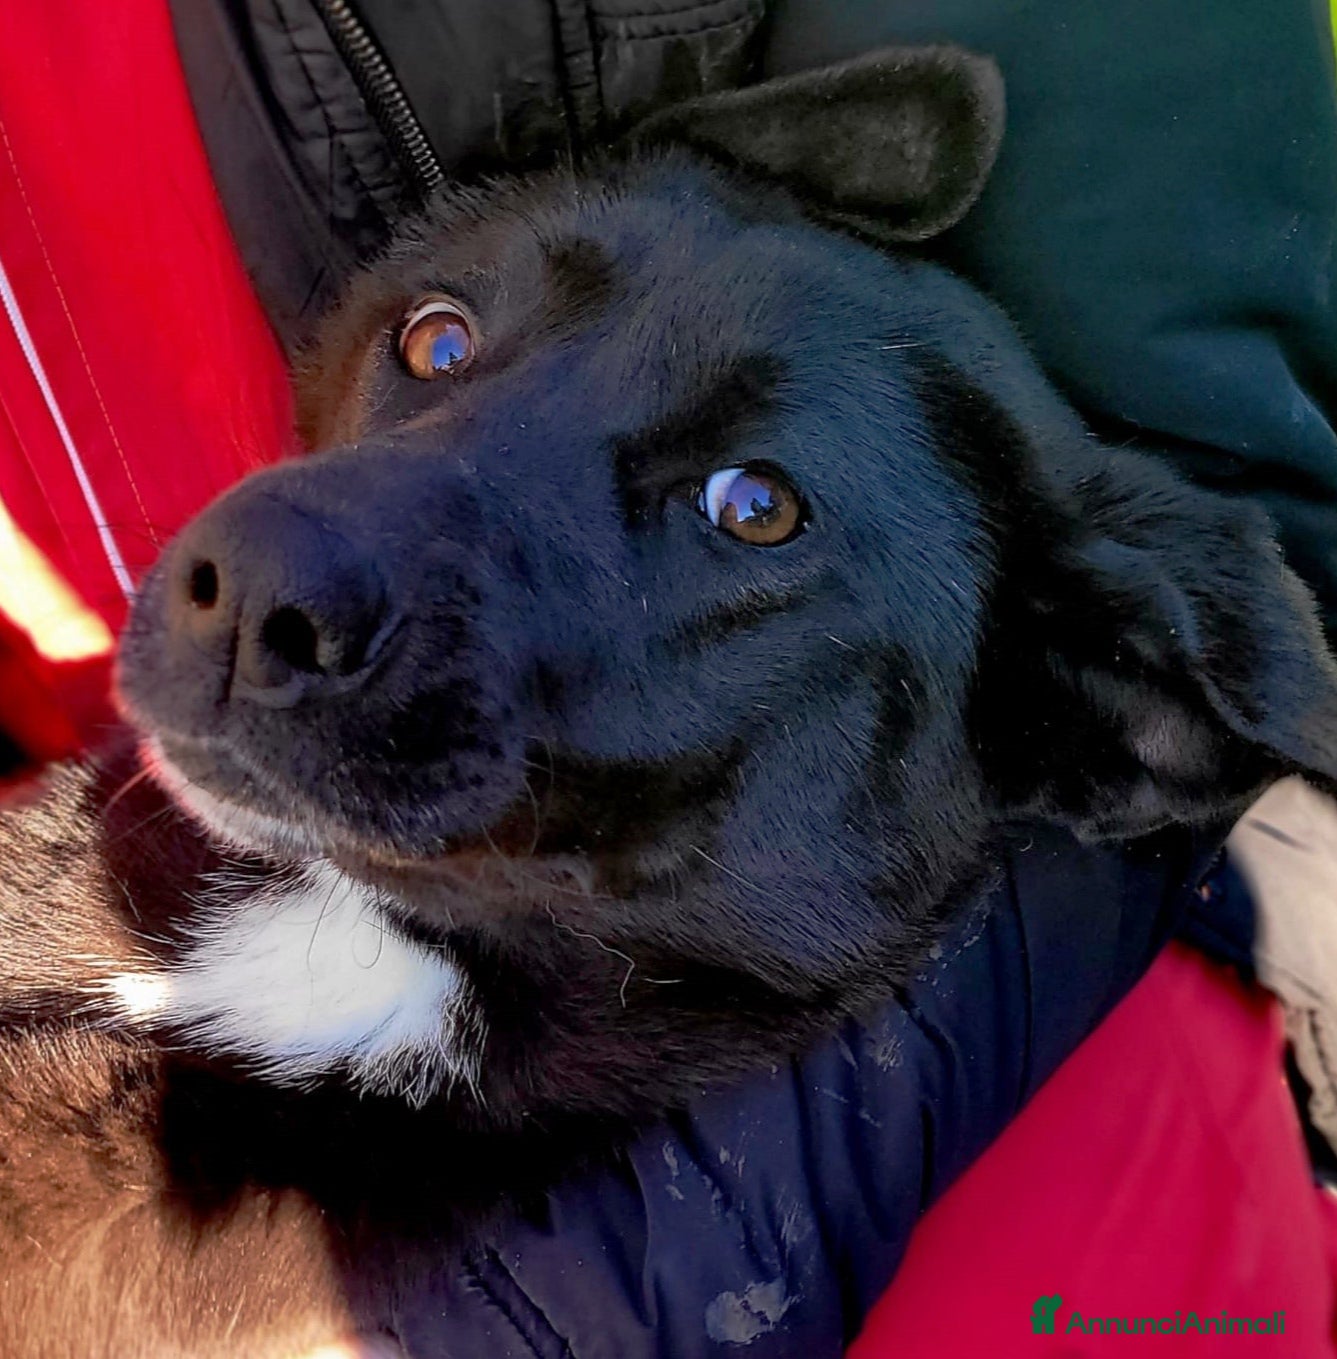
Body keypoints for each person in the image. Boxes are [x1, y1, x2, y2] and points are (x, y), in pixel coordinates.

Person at [0, 1, 1334, 1353]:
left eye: (750, 509)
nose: (277, 548)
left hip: (1002, 1178)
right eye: (443, 345)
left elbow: (1236, 475)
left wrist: (542, 1309)